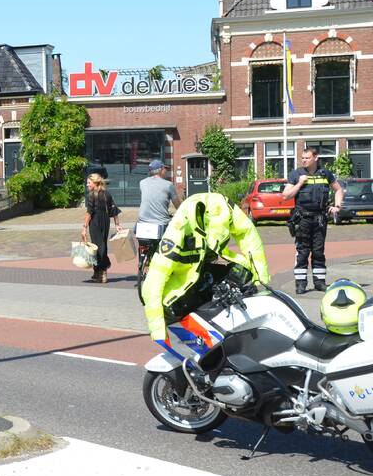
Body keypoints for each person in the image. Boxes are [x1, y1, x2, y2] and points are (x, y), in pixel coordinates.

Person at [141, 192, 270, 345]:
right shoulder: (178, 230)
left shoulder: (226, 208)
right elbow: (153, 283)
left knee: (241, 272)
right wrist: (157, 329)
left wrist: (261, 278)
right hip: (178, 290)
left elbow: (249, 235)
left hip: (200, 272)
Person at [282, 147, 345, 294]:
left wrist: (337, 206)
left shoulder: (325, 173)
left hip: (320, 219)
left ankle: (320, 283)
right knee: (302, 251)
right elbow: (286, 195)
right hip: (302, 219)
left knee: (318, 251)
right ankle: (300, 284)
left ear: (316, 158)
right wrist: (299, 184)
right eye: (302, 158)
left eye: (307, 158)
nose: (304, 160)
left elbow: (338, 190)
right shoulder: (296, 174)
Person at [82, 172, 122, 283]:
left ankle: (102, 270)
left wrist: (84, 227)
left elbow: (89, 213)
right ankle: (98, 272)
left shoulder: (91, 195)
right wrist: (117, 224)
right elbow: (114, 210)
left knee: (97, 246)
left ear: (95, 183)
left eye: (89, 183)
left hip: (95, 221)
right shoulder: (107, 194)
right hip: (105, 221)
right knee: (102, 245)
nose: (87, 185)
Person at [137, 159, 181, 243]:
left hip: (142, 223)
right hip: (160, 223)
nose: (166, 171)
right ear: (161, 170)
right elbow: (178, 206)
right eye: (165, 169)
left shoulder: (142, 183)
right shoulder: (168, 185)